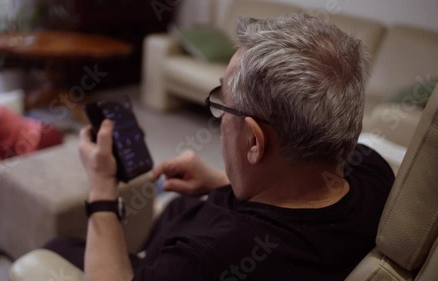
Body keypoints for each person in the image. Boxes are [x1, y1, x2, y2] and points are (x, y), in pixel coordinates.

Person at [49, 14, 395, 280]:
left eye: (223, 102)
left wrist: (101, 189)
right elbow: (295, 205)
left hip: (149, 262)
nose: (219, 120)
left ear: (255, 142)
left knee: (56, 247)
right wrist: (216, 180)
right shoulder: (373, 170)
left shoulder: (206, 260)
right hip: (186, 225)